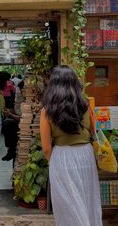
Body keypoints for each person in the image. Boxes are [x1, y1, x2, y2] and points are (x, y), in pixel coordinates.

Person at [40, 65, 102, 226]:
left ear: (53, 85)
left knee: (67, 206)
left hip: (61, 157)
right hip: (86, 157)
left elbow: (46, 147)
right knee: (87, 200)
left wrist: (53, 162)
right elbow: (94, 133)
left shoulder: (47, 110)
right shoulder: (86, 105)